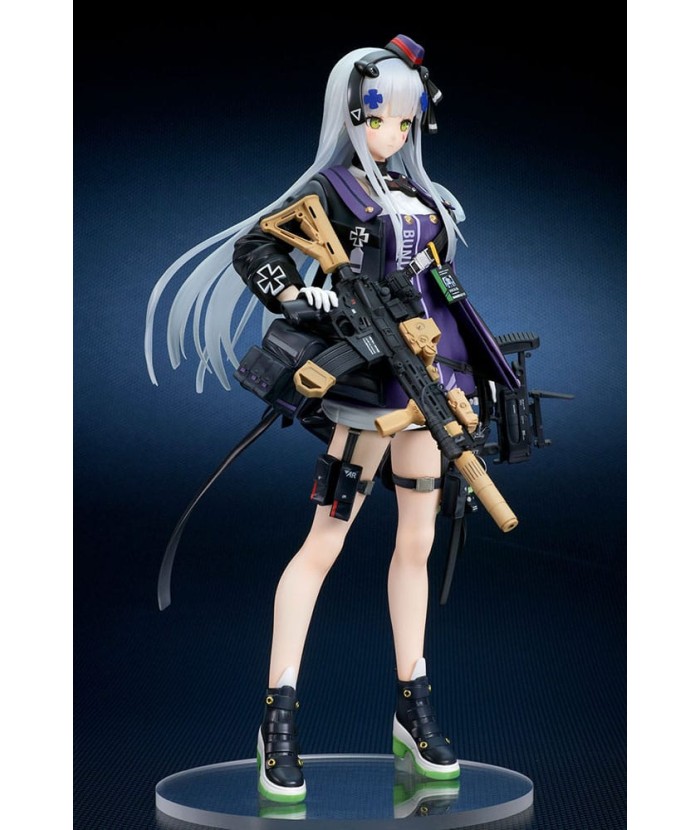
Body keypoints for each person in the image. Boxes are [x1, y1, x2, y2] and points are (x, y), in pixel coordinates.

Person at [145, 34, 518, 804]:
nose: (395, 133)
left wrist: (468, 368)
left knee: (417, 540)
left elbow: (442, 288)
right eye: (383, 118)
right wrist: (298, 295)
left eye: (408, 120)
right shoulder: (334, 190)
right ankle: (277, 714)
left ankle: (412, 705)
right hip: (371, 385)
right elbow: (257, 247)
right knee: (327, 540)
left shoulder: (420, 196)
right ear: (353, 114)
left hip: (430, 374)